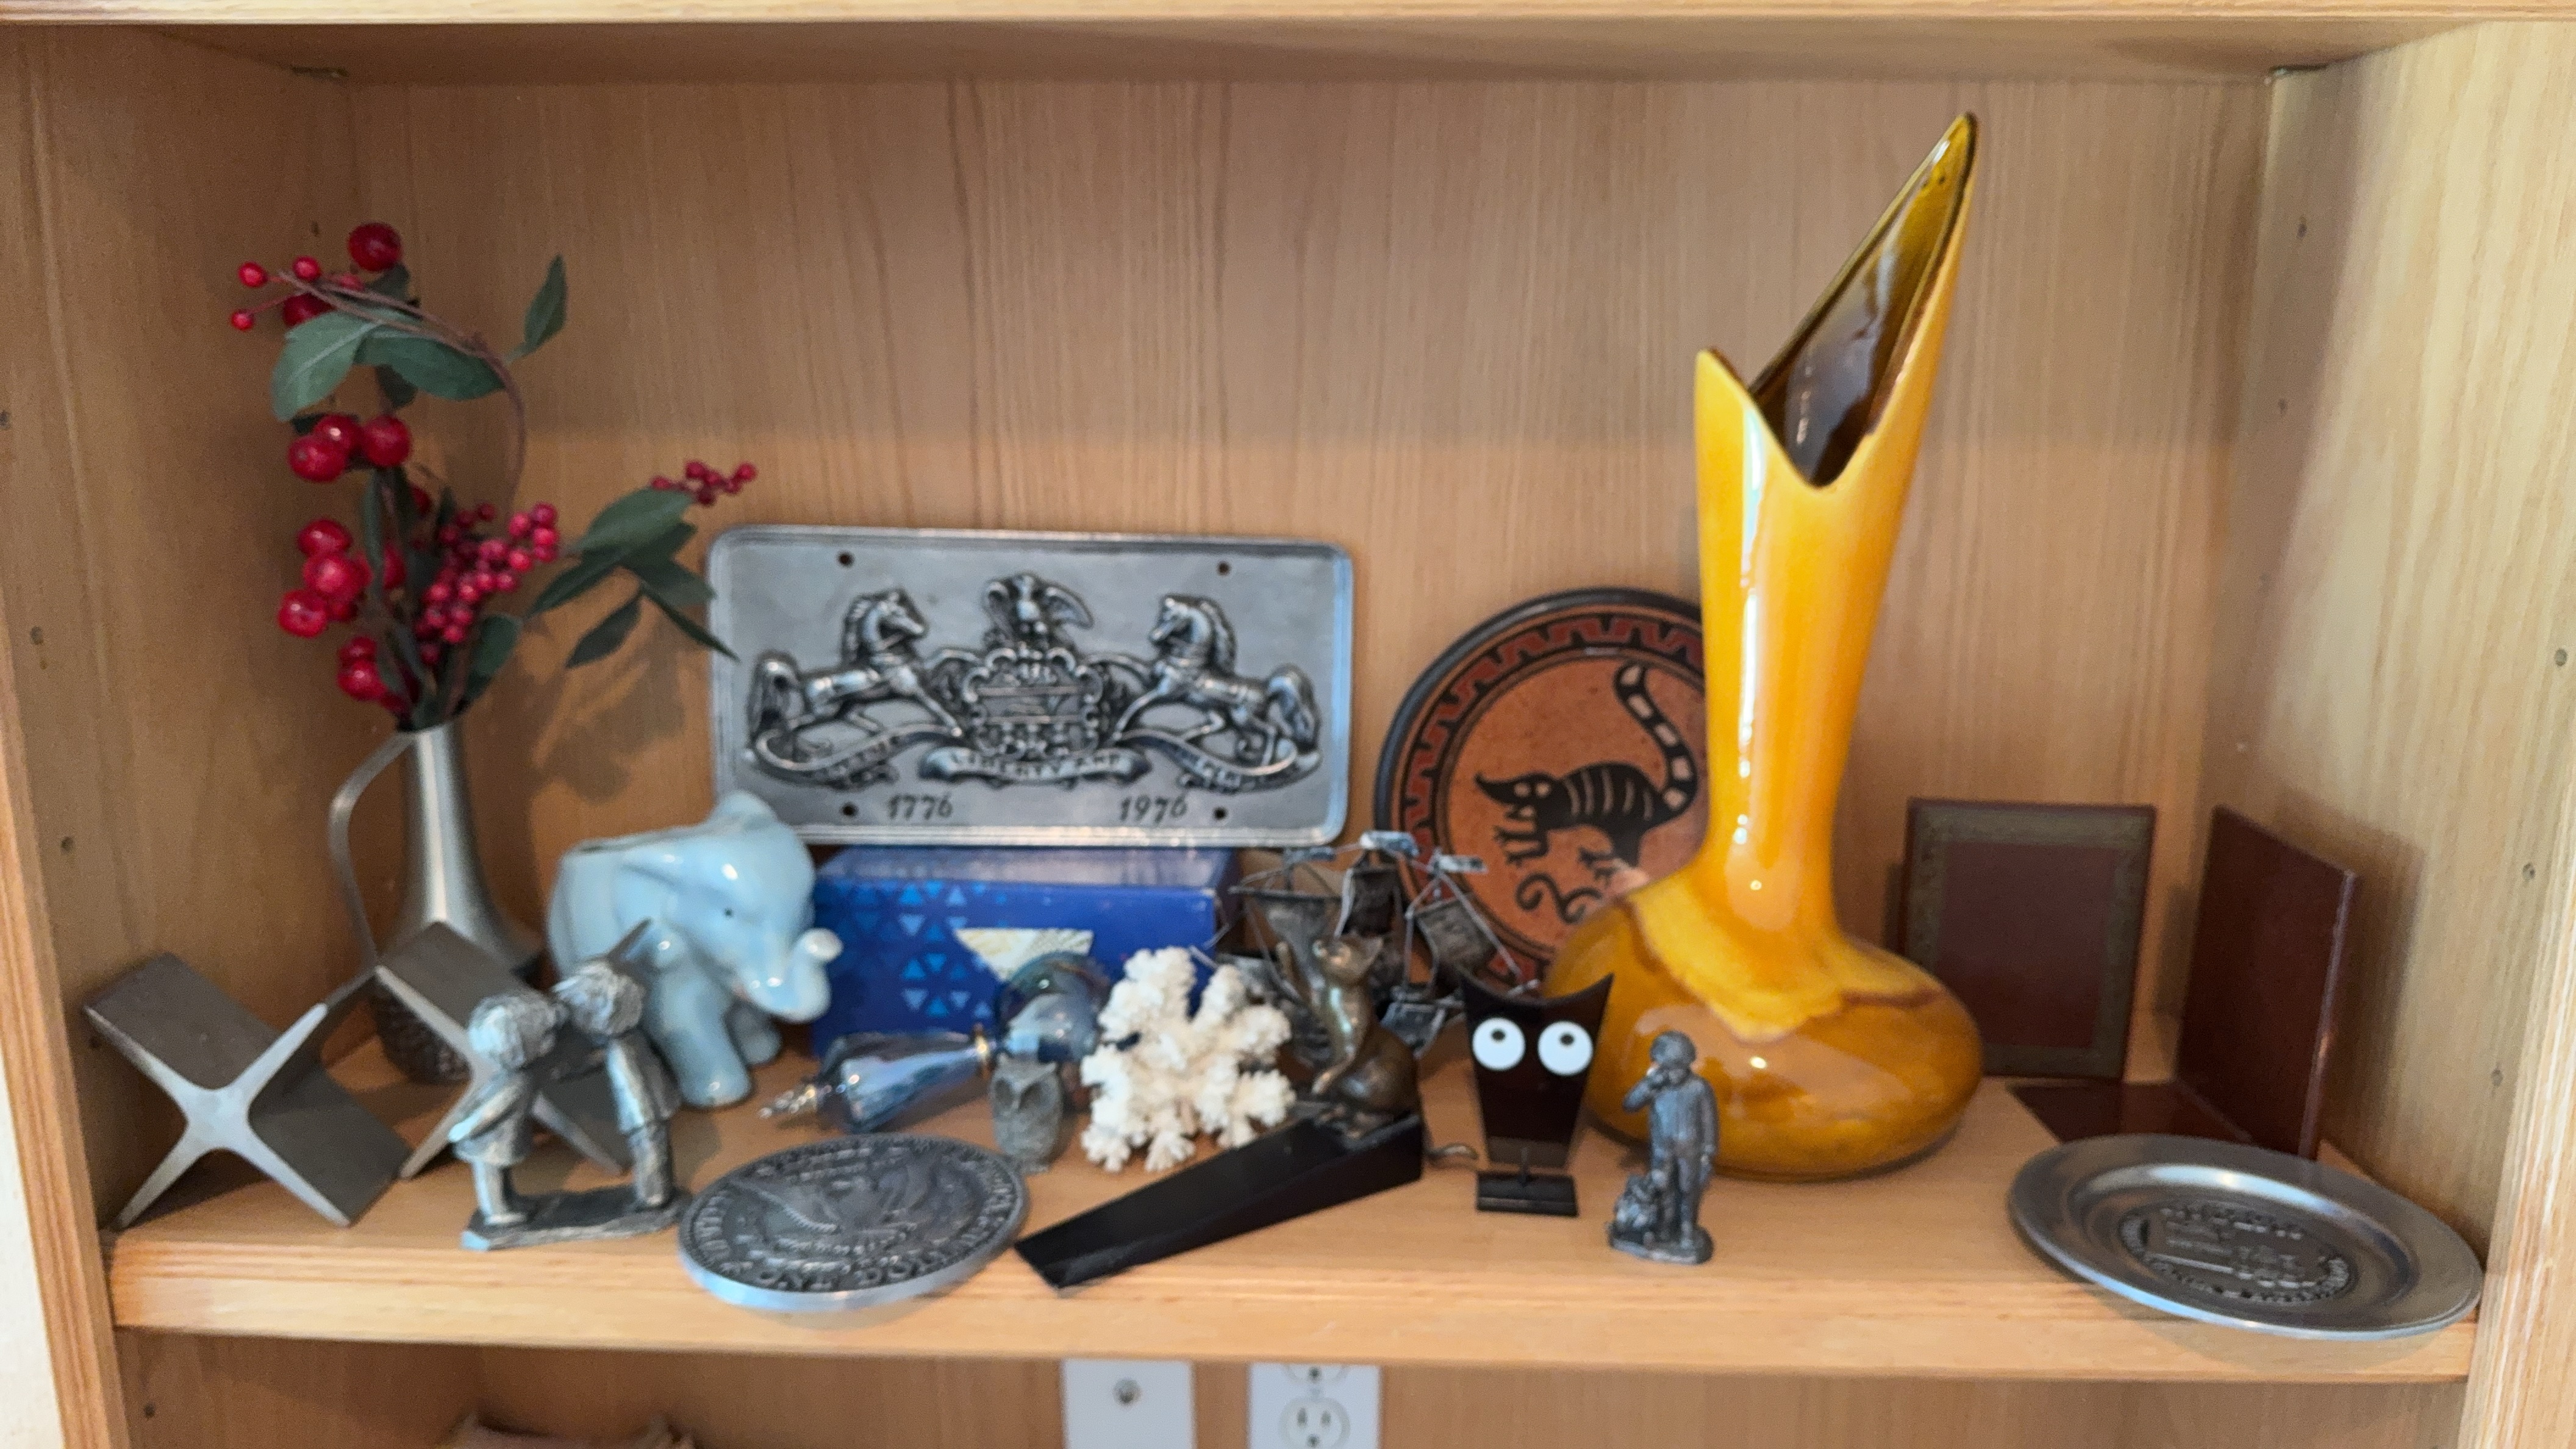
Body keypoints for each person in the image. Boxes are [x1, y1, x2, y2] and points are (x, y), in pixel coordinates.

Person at [553, 960, 680, 1209]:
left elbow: (633, 1086)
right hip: (654, 1105)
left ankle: (654, 1196)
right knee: (656, 1150)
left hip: (643, 1114)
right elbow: (604, 1057)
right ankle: (656, 1192)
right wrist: (573, 1070)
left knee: (649, 1152)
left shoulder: (621, 1052)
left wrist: (642, 1121)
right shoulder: (627, 1038)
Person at [449, 994, 560, 1228]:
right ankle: (496, 1211)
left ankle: (509, 1201)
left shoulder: (515, 1076)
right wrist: (464, 1128)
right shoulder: (515, 1083)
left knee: (501, 1173)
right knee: (491, 1174)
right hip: (488, 1140)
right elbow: (489, 1112)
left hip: (500, 1138)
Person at [1611, 1030, 1717, 1264]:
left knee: (1689, 1190)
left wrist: (1708, 1153)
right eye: (1668, 1068)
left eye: (1678, 1068)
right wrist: (1649, 1084)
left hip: (1691, 1151)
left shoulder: (1699, 1088)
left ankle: (1687, 1231)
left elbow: (1709, 1122)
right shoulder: (1656, 1085)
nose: (1674, 1074)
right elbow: (1629, 1104)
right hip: (1662, 1151)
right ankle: (1664, 1230)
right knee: (1664, 1189)